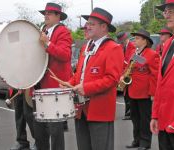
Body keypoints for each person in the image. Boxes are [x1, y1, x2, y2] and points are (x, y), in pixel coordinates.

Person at [62, 7, 124, 150]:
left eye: (91, 24)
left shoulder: (113, 48)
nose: (86, 26)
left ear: (104, 27)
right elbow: (79, 74)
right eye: (87, 23)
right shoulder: (85, 47)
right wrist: (69, 83)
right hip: (81, 110)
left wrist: (86, 88)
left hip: (99, 110)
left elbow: (112, 79)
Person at [34, 2, 72, 150]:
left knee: (55, 130)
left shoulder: (63, 31)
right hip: (39, 83)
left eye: (49, 13)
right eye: (45, 13)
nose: (46, 15)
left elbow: (65, 54)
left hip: (53, 86)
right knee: (39, 129)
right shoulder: (43, 30)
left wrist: (48, 43)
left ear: (58, 16)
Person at [150, 0, 174, 150]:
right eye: (165, 12)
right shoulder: (169, 43)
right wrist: (155, 115)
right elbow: (161, 83)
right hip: (165, 122)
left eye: (172, 11)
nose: (167, 15)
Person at [124, 29, 159, 150]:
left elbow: (155, 75)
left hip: (144, 92)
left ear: (145, 40)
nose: (134, 40)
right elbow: (129, 68)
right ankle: (137, 140)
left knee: (145, 119)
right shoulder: (134, 52)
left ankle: (145, 142)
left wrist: (153, 93)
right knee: (135, 118)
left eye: (137, 38)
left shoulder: (152, 54)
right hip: (132, 90)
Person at [116, 31, 135, 120]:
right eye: (120, 42)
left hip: (129, 72)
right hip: (122, 73)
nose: (121, 43)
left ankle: (130, 113)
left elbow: (130, 61)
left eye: (122, 41)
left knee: (129, 94)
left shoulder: (133, 47)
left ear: (126, 39)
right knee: (125, 94)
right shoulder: (120, 47)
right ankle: (128, 113)